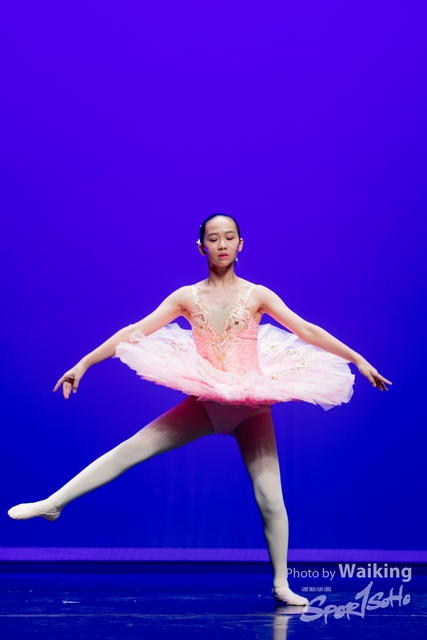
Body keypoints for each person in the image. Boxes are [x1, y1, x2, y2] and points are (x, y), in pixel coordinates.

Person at [8, 214, 391, 606]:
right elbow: (134, 331)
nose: (222, 244)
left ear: (241, 244)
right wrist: (84, 363)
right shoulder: (187, 297)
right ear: (201, 247)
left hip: (251, 407)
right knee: (130, 450)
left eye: (229, 237)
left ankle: (281, 584)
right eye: (214, 238)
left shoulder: (257, 295)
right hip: (206, 403)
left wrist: (358, 359)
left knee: (270, 499)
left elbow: (306, 329)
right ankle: (53, 504)